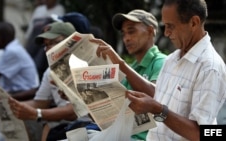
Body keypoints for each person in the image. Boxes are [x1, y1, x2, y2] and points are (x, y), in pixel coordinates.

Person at [92, 0, 226, 140]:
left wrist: (158, 109)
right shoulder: (172, 59)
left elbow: (201, 134)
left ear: (193, 23)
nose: (166, 33)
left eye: (170, 26)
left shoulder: (209, 68)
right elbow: (158, 98)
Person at [7, 22, 95, 141]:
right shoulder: (50, 71)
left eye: (54, 43)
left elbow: (72, 112)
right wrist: (9, 104)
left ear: (72, 42)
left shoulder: (83, 66)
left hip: (87, 127)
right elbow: (40, 103)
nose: (49, 49)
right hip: (63, 126)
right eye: (46, 45)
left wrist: (37, 113)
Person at [92, 9, 167, 140]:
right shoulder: (132, 67)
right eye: (123, 34)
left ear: (150, 31)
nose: (126, 38)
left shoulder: (162, 62)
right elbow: (109, 115)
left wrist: (120, 64)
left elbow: (156, 97)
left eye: (131, 31)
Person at [0, 21, 39, 141]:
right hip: (12, 91)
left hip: (24, 93)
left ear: (2, 37)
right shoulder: (10, 49)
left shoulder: (12, 52)